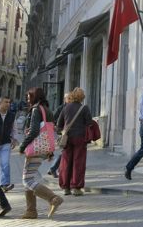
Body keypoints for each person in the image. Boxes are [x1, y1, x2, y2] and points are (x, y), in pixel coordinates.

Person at [19, 87, 63, 219]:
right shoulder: (47, 110)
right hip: (44, 148)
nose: (28, 100)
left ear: (35, 97)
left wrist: (22, 146)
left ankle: (53, 198)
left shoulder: (36, 110)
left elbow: (34, 131)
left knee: (27, 180)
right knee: (30, 177)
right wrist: (50, 151)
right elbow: (50, 132)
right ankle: (31, 211)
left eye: (29, 97)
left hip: (35, 148)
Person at [57, 88, 92, 196]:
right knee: (78, 162)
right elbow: (89, 123)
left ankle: (66, 187)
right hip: (80, 138)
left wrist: (63, 132)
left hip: (67, 138)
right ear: (82, 97)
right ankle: (76, 187)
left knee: (66, 162)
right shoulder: (84, 108)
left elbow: (59, 125)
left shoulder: (66, 108)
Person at [0, 96, 18, 192]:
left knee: (5, 163)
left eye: (9, 102)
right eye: (6, 102)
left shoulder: (12, 115)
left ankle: (5, 184)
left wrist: (14, 139)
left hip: (5, 143)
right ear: (0, 103)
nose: (8, 104)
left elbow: (14, 128)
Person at [48, 93, 70, 178]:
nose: (70, 100)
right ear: (65, 99)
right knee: (65, 151)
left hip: (68, 132)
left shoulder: (70, 107)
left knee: (65, 151)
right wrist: (57, 127)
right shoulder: (61, 108)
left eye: (71, 98)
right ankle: (54, 168)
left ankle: (55, 169)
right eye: (68, 98)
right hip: (63, 133)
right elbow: (53, 119)